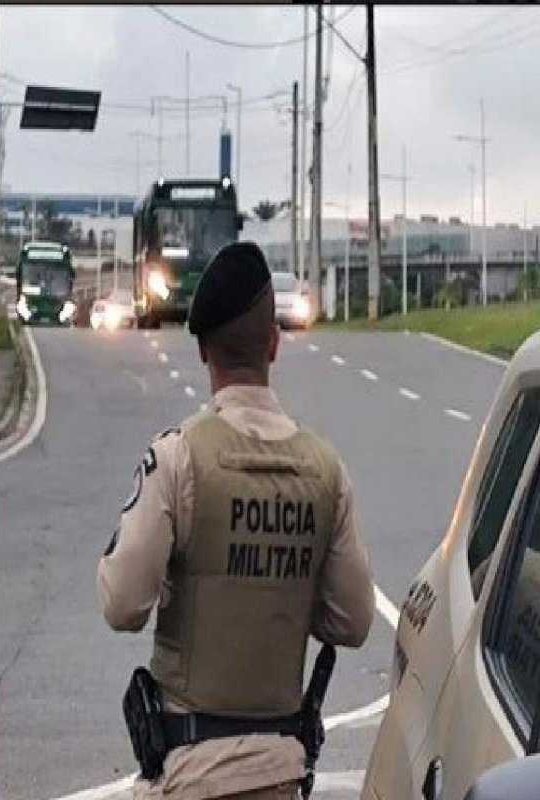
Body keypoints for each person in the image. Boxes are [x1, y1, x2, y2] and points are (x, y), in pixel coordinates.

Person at [97, 242, 375, 800]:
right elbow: (353, 622)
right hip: (281, 771)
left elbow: (122, 605)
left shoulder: (176, 458)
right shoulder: (325, 468)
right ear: (274, 344)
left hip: (189, 770)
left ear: (203, 352)